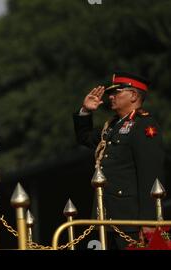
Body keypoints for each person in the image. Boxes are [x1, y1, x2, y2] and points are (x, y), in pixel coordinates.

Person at [73, 72, 165, 249]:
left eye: (117, 92)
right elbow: (85, 137)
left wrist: (148, 222)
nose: (111, 97)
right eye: (110, 93)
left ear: (133, 95)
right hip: (105, 216)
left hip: (129, 221)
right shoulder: (114, 125)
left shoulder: (144, 125)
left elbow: (150, 175)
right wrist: (85, 111)